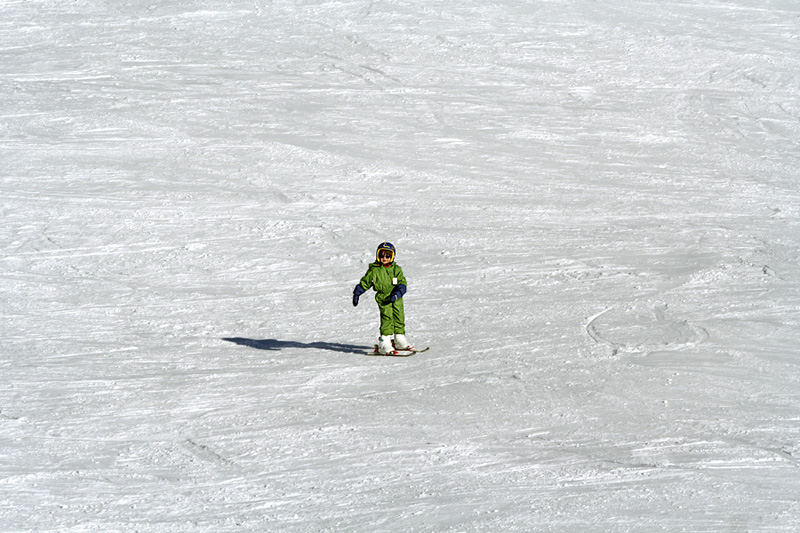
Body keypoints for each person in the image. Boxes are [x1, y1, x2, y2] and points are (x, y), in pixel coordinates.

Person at [352, 242, 414, 354]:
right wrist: (357, 293)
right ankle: (384, 341)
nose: (384, 258)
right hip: (384, 298)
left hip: (396, 297)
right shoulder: (374, 270)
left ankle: (399, 338)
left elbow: (402, 283)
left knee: (399, 316)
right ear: (377, 256)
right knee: (387, 318)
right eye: (381, 255)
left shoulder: (396, 269)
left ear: (392, 256)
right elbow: (365, 282)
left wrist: (398, 292)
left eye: (387, 256)